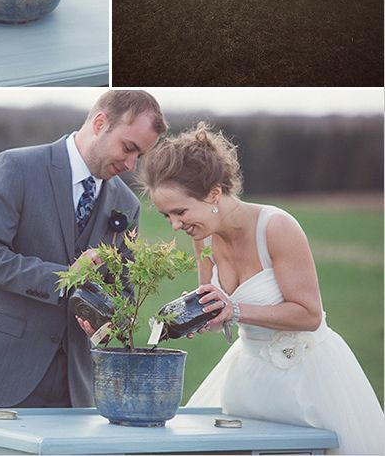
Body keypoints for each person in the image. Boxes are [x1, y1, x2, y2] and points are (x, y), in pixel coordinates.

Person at [138, 123, 384, 455]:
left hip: (307, 380)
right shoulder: (203, 236)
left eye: (180, 212)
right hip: (248, 379)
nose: (175, 225)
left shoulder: (276, 227)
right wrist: (198, 313)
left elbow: (309, 315)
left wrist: (234, 310)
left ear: (213, 193)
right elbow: (216, 302)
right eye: (168, 216)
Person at [0, 90, 166, 409]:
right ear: (100, 123)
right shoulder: (15, 166)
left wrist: (110, 318)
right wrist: (66, 278)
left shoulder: (126, 204)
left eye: (140, 155)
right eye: (129, 148)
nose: (131, 164)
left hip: (75, 386)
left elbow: (123, 287)